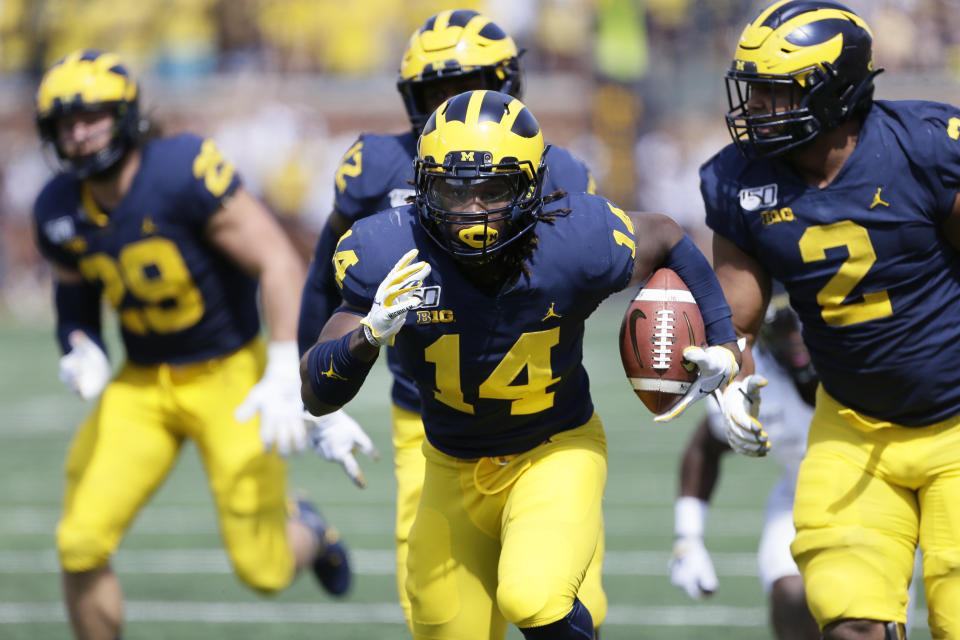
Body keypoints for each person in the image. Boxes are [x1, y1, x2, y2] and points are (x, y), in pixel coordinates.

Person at [300, 88, 741, 640]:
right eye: (452, 189)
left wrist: (727, 343)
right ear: (420, 188)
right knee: (442, 629)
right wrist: (368, 335)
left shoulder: (576, 238)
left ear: (532, 187)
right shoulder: (389, 253)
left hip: (554, 450)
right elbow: (316, 392)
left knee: (533, 596)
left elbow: (670, 237)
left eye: (494, 188)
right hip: (449, 466)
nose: (472, 210)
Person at [296, 9, 603, 631]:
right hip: (426, 411)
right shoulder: (378, 168)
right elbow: (326, 278)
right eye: (435, 92)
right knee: (436, 611)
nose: (454, 104)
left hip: (538, 410)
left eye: (468, 85)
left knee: (554, 592)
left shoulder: (556, 170)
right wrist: (308, 383)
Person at [31, 49, 351, 640]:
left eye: (92, 116)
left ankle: (309, 528)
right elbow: (74, 300)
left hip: (228, 373)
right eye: (65, 123)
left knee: (264, 569)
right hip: (143, 380)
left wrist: (284, 364)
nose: (78, 134)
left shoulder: (180, 169)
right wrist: (79, 344)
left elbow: (278, 260)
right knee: (79, 543)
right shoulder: (57, 206)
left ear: (125, 114)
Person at [702, 1, 960, 637]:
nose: (755, 106)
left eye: (774, 91)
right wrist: (728, 375)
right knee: (848, 622)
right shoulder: (739, 180)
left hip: (956, 423)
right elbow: (738, 312)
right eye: (751, 89)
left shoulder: (925, 147)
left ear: (837, 93)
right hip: (851, 427)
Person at [670, 293, 819, 640]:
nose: (796, 339)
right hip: (800, 499)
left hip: (880, 495)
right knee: (791, 595)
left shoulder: (861, 359)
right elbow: (705, 447)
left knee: (868, 621)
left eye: (802, 326)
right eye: (784, 328)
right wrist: (687, 537)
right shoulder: (758, 382)